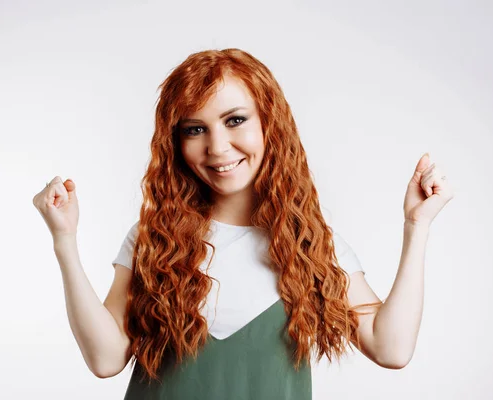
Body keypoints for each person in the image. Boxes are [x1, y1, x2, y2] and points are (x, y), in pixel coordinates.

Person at [32, 48, 454, 399]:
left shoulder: (311, 245)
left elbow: (391, 347)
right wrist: (64, 241)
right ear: (176, 143)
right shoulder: (154, 239)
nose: (217, 147)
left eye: (235, 120)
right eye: (195, 129)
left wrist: (416, 228)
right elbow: (106, 360)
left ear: (270, 123)